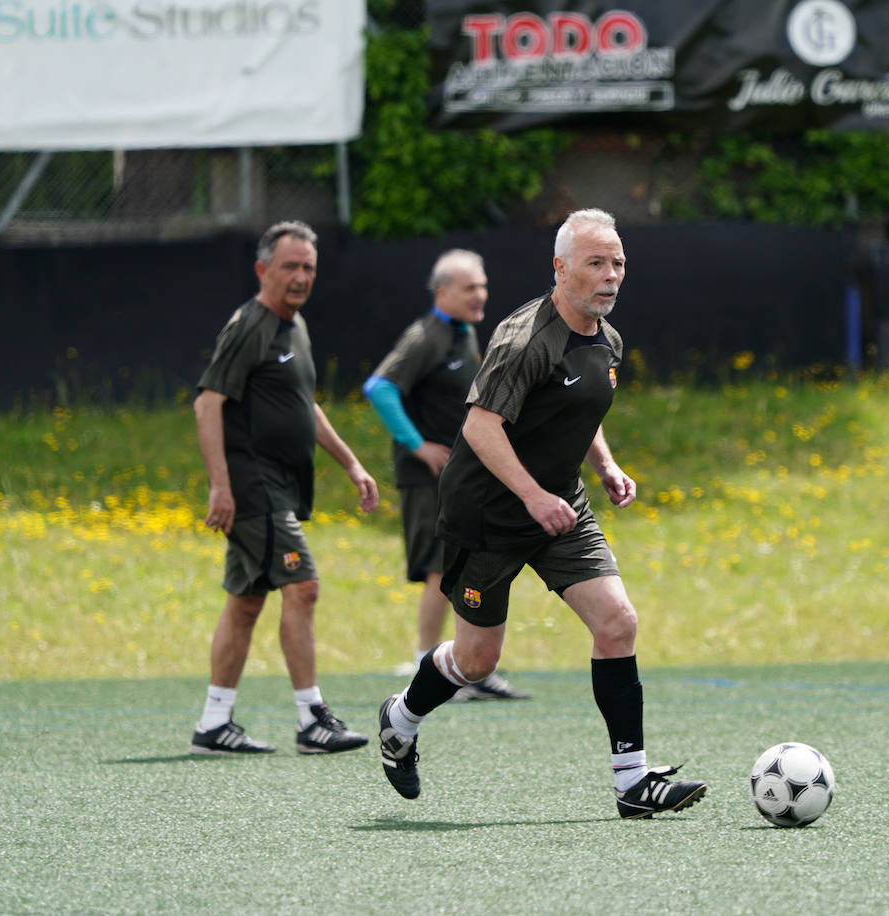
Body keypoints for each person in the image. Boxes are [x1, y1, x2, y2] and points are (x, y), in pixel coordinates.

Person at [375, 209, 708, 818]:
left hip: (562, 507)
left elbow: (579, 412)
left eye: (619, 264)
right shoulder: (523, 338)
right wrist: (530, 496)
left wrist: (605, 466)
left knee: (617, 623)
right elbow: (480, 427)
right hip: (489, 516)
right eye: (596, 264)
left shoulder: (607, 340)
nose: (611, 277)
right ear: (560, 268)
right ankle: (400, 717)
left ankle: (631, 783)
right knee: (477, 661)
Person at [190, 220, 379, 756]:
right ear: (262, 270)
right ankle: (312, 719)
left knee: (247, 602)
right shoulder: (252, 324)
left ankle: (213, 724)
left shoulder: (294, 326)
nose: (300, 277)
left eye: (309, 268)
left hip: (277, 486)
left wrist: (351, 464)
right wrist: (220, 487)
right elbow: (208, 403)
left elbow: (304, 406)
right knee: (303, 588)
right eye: (290, 266)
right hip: (254, 489)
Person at [362, 249, 529, 701]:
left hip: (463, 477)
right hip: (429, 478)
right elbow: (378, 388)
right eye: (470, 287)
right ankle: (428, 667)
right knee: (440, 568)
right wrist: (417, 446)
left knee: (470, 562)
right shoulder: (426, 336)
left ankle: (471, 665)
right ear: (443, 292)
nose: (481, 295)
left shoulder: (465, 333)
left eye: (483, 285)